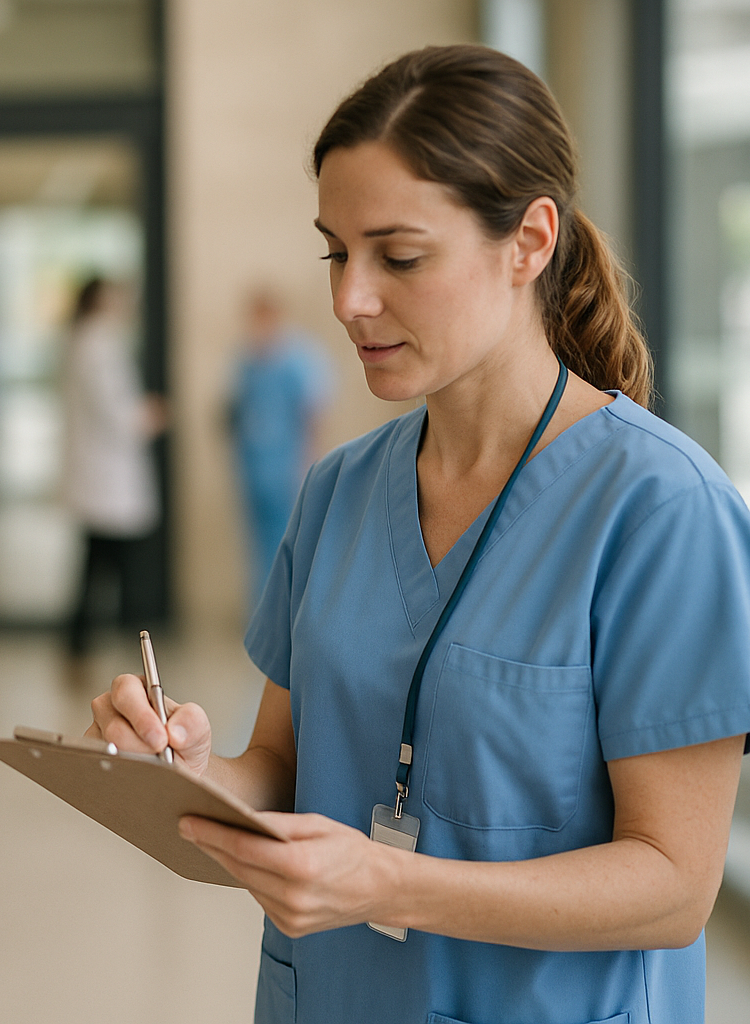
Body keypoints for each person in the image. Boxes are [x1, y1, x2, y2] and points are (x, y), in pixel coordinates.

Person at [89, 45, 750, 1023]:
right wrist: (188, 770)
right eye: (335, 251)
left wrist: (391, 884)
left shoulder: (662, 509)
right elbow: (281, 763)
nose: (350, 299)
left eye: (398, 257)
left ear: (529, 242)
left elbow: (673, 883)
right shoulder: (340, 492)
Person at [60, 277, 163, 662]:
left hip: (101, 477)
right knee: (110, 565)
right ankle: (123, 639)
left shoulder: (88, 340)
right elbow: (114, 410)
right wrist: (145, 416)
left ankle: (84, 641)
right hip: (105, 477)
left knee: (96, 563)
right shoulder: (96, 343)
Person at [226, 288, 333, 603]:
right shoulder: (244, 359)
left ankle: (285, 612)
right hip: (253, 466)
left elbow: (312, 413)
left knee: (287, 541)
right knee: (257, 544)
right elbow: (234, 411)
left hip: (286, 466)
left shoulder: (299, 357)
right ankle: (261, 612)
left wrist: (306, 462)